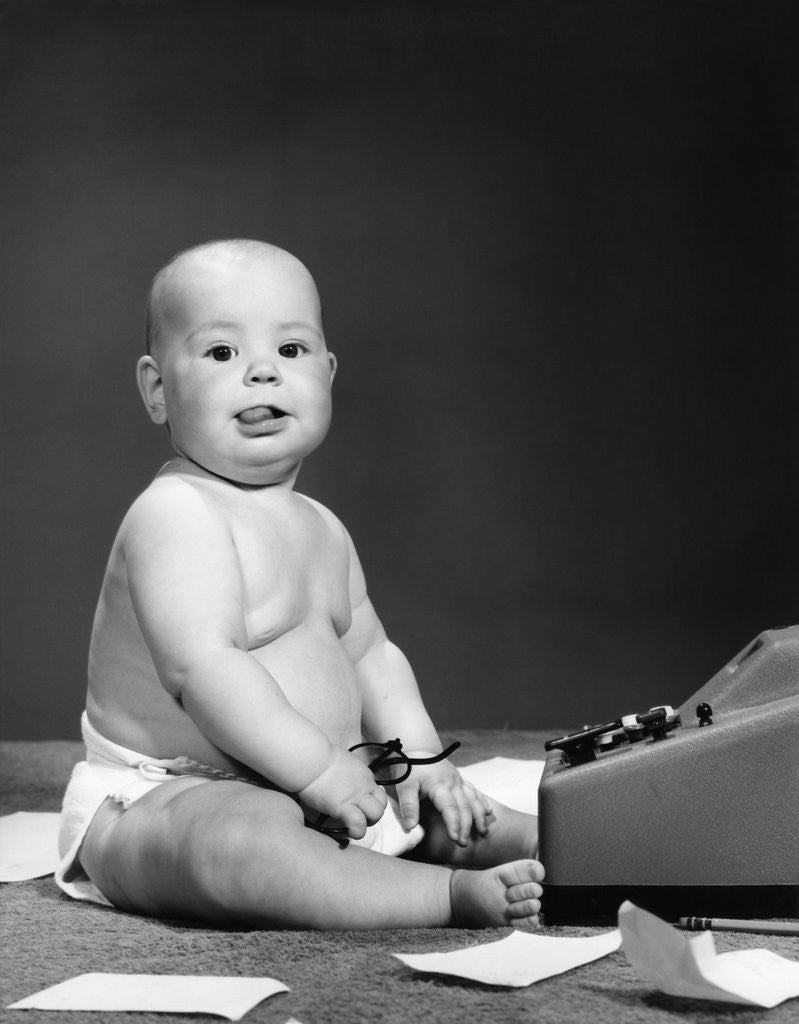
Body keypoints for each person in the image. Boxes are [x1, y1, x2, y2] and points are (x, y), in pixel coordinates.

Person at [56, 239, 543, 929]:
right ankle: (438, 897)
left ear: (328, 372)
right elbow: (203, 667)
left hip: (332, 787)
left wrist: (425, 761)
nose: (262, 373)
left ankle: (529, 841)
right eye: (222, 353)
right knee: (240, 843)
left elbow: (371, 655)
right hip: (169, 797)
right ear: (158, 389)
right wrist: (315, 770)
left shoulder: (322, 527)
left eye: (290, 351)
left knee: (428, 804)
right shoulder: (177, 514)